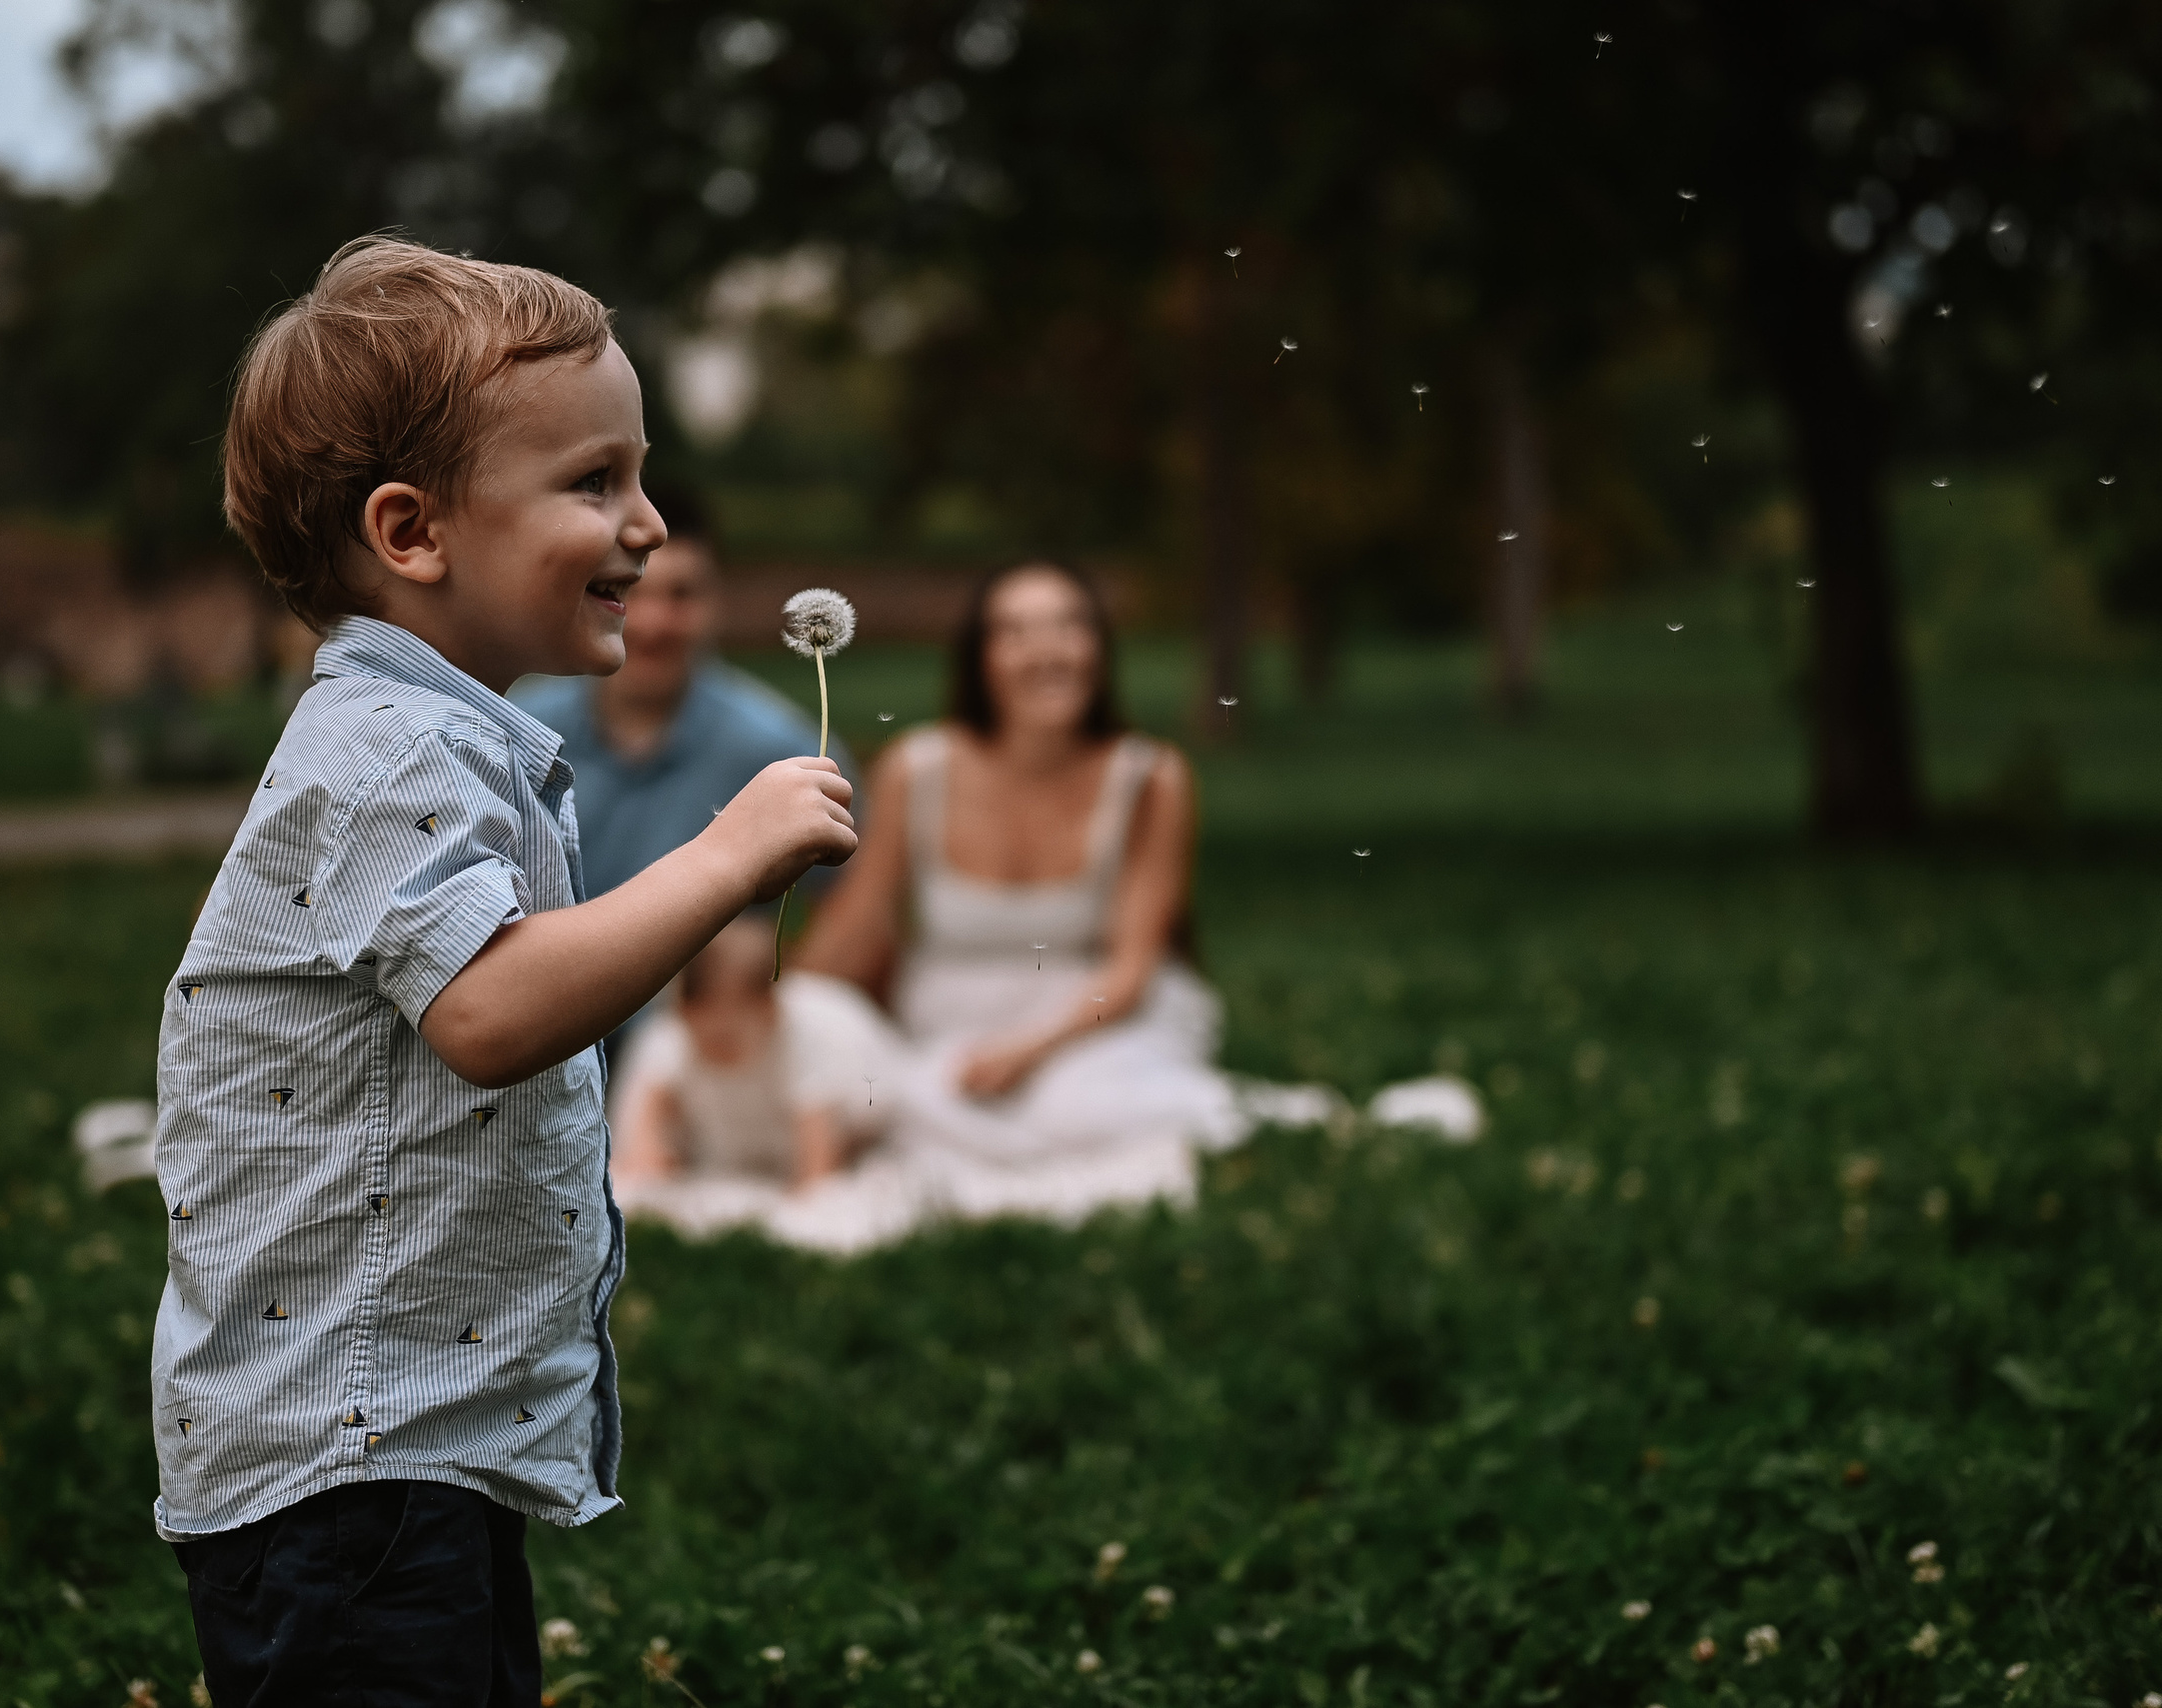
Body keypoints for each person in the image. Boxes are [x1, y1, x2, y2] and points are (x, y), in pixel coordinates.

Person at [152, 238, 856, 1706]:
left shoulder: (448, 739)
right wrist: (723, 859)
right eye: (595, 482)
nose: (649, 525)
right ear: (415, 533)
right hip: (342, 1472)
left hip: (410, 1449)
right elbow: (488, 1009)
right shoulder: (382, 752)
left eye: (641, 475)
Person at [784, 561, 1340, 1249]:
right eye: (1015, 631)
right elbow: (857, 925)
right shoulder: (915, 769)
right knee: (906, 1091)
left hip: (1095, 1024)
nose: (1045, 649)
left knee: (1076, 1103)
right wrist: (777, 1001)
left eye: (1068, 625)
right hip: (950, 1033)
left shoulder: (1152, 778)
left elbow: (1134, 967)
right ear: (980, 658)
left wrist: (1027, 1052)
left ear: (1099, 648)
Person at [515, 490, 845, 902]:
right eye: (630, 591)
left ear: (719, 600)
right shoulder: (517, 734)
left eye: (682, 594)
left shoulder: (783, 749)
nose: (654, 623)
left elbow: (860, 898)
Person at [608, 914, 902, 1238]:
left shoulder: (806, 1042)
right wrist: (652, 1149)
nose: (711, 1055)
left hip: (865, 1105)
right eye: (698, 1038)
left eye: (725, 1041)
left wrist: (807, 1189)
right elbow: (641, 1150)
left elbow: (817, 1171)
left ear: (771, 1011)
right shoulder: (672, 1041)